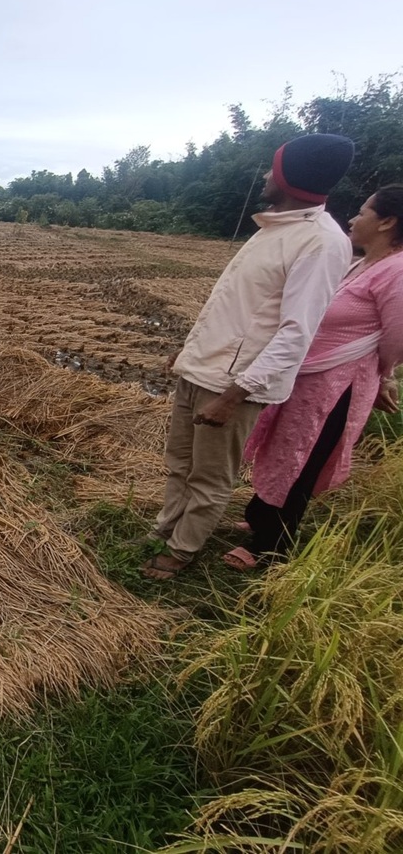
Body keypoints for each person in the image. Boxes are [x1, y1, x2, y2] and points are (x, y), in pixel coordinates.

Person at [138, 133, 356, 580]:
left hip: (232, 383)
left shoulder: (321, 242)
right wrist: (189, 351)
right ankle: (166, 529)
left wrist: (237, 394)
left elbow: (297, 331)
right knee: (180, 462)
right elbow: (234, 307)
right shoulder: (274, 228)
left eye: (270, 169)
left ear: (289, 177)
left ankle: (181, 550)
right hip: (202, 368)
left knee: (211, 475)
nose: (263, 176)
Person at [224, 185, 403, 571]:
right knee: (285, 447)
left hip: (338, 386)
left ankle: (271, 548)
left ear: (387, 222)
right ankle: (260, 516)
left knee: (304, 457)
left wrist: (383, 373)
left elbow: (397, 335)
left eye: (363, 211)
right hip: (312, 376)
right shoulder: (365, 264)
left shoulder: (397, 270)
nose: (354, 219)